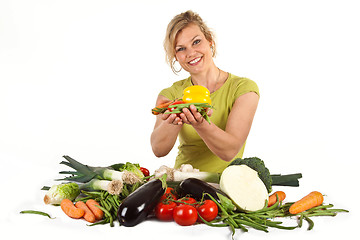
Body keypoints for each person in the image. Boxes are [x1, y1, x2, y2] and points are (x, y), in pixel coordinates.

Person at [151, 10, 259, 173]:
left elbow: (229, 151)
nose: (191, 53)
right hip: (181, 184)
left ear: (210, 40)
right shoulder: (171, 94)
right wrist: (176, 114)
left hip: (226, 187)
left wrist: (199, 122)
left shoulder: (243, 89)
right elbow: (158, 149)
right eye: (181, 48)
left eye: (196, 42)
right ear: (176, 56)